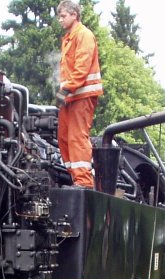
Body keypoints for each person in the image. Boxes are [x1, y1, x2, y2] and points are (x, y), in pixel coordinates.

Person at [55, 0, 103, 189]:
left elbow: (81, 67)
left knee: (77, 137)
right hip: (71, 97)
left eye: (63, 16)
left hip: (82, 95)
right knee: (63, 137)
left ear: (74, 15)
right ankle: (74, 177)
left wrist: (66, 89)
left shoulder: (84, 35)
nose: (60, 20)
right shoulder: (68, 38)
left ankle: (84, 181)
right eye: (59, 16)